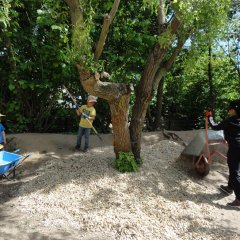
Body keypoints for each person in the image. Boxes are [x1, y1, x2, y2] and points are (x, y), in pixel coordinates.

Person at [206, 99, 240, 208]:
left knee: (235, 172)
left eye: (229, 108)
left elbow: (215, 126)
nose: (228, 110)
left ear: (234, 110)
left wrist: (209, 116)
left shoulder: (230, 121)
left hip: (235, 149)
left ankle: (239, 199)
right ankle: (230, 187)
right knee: (235, 169)